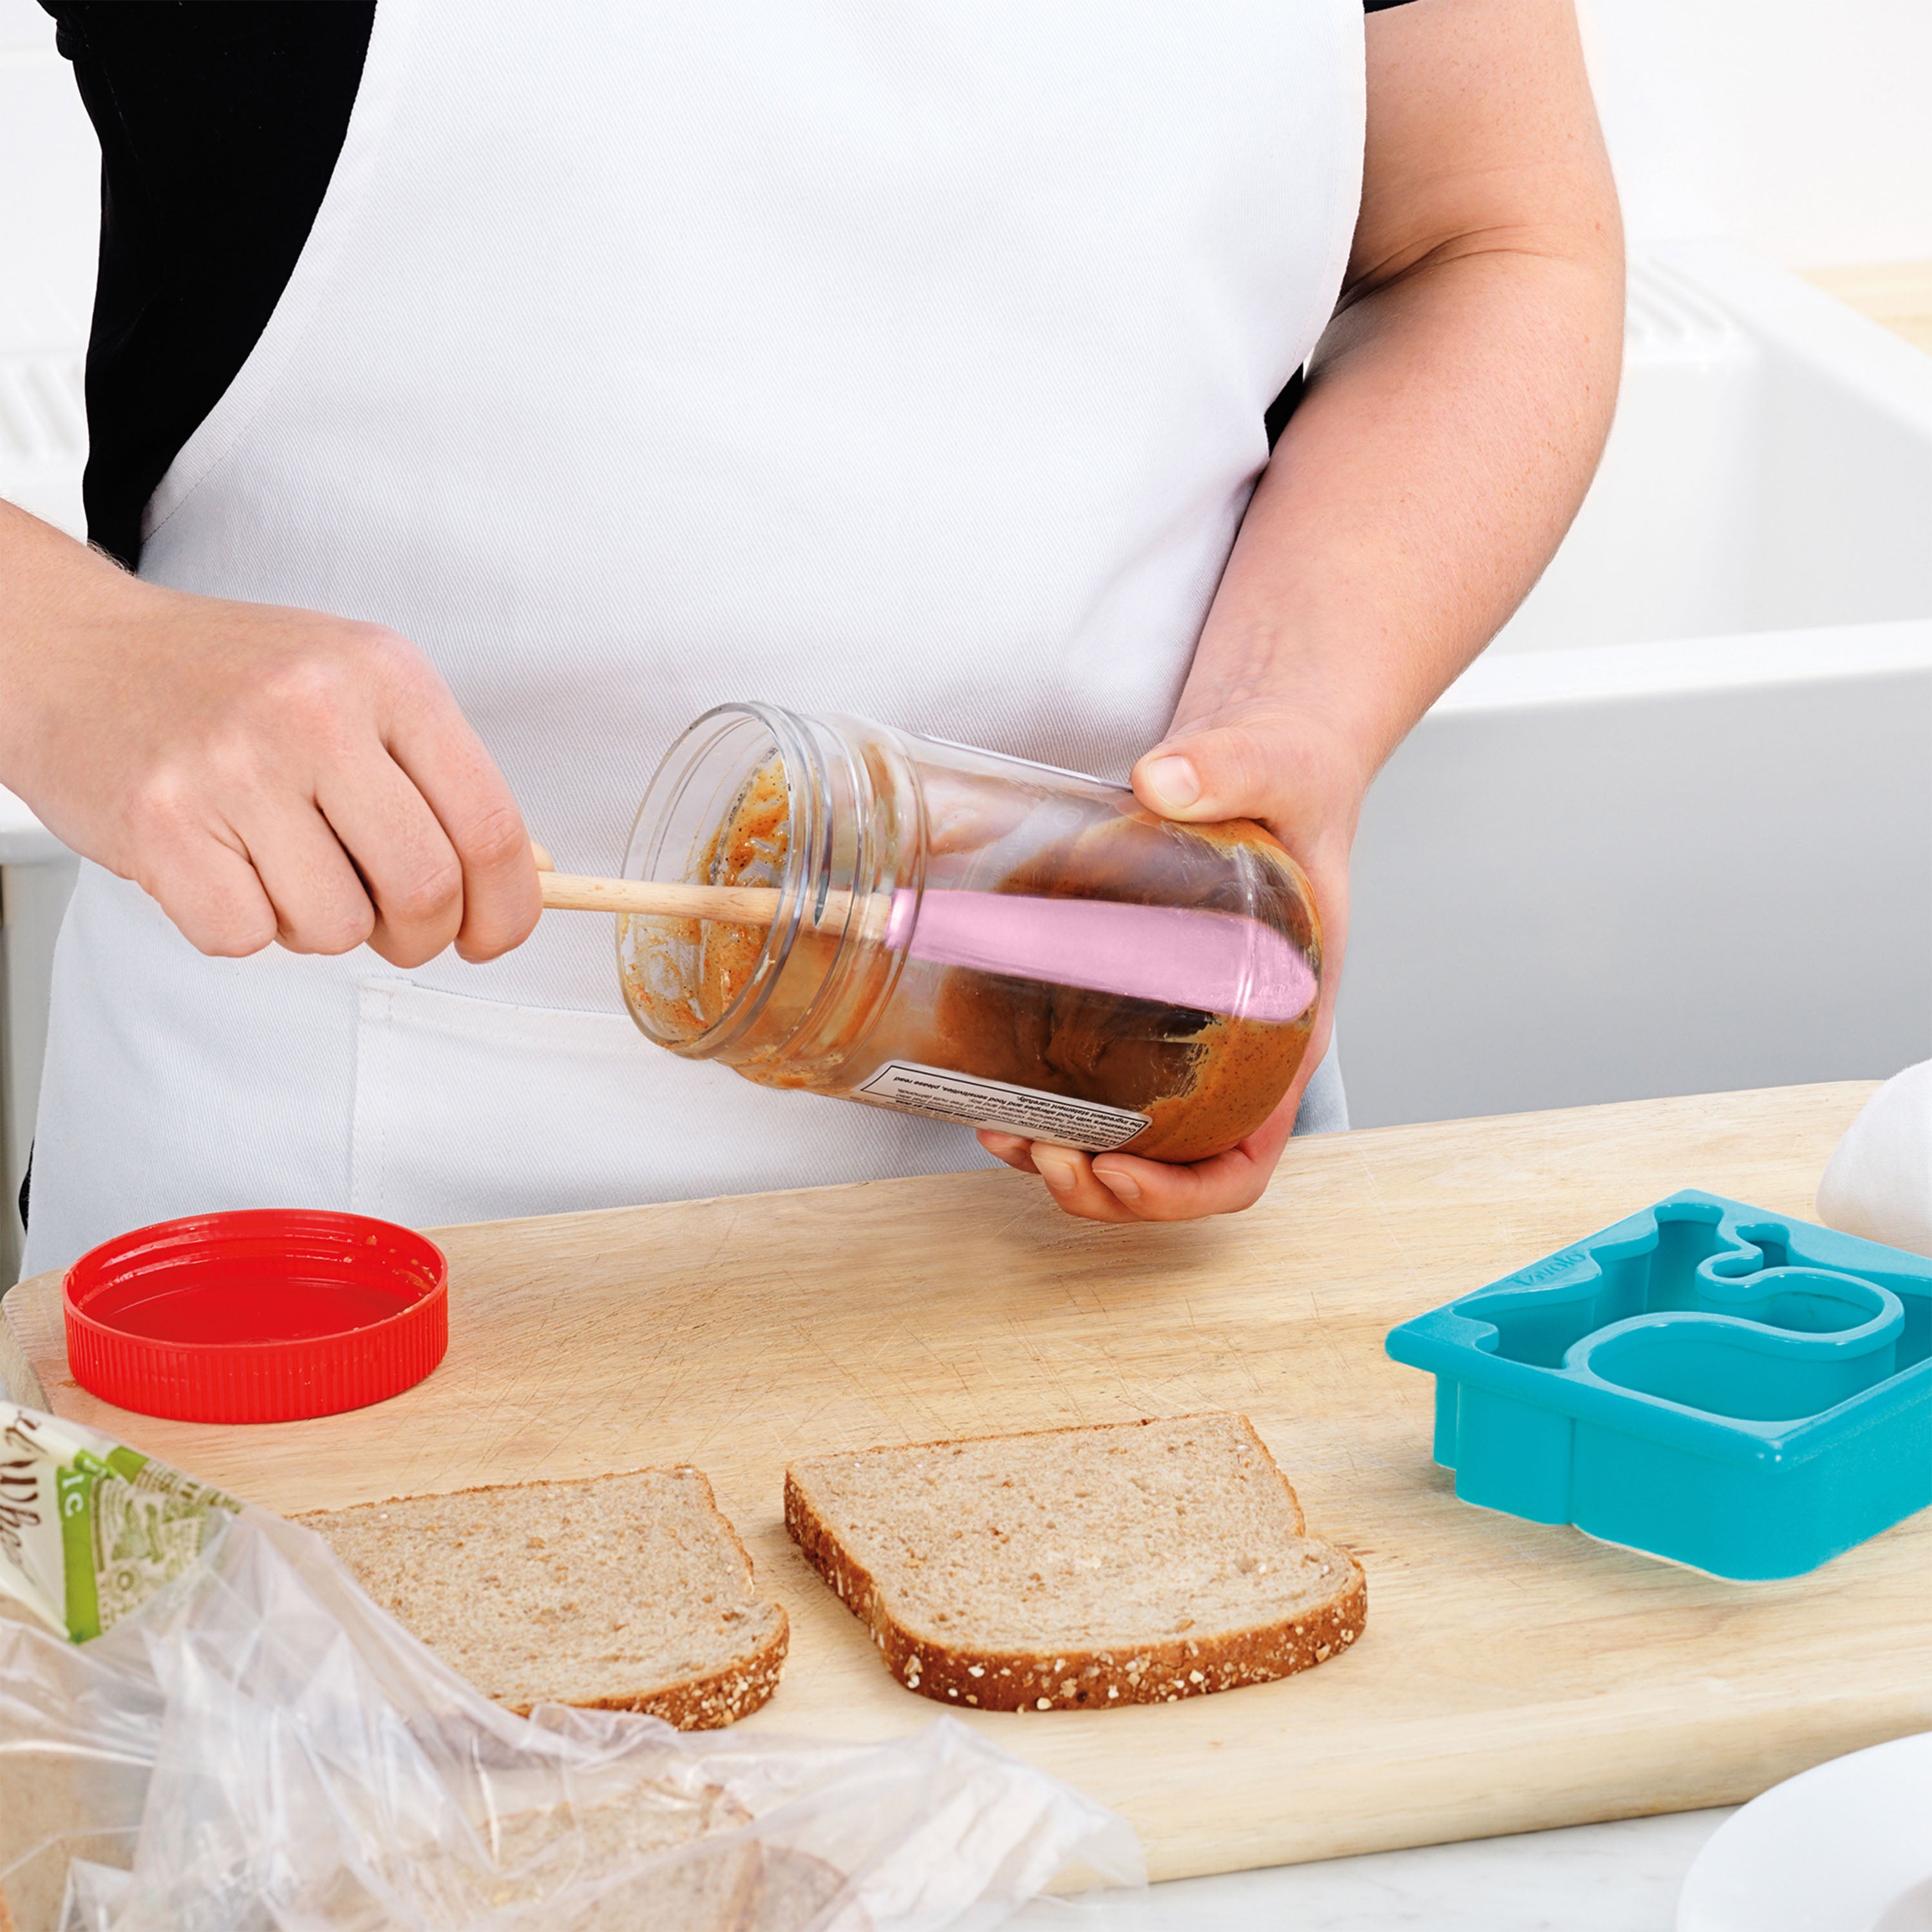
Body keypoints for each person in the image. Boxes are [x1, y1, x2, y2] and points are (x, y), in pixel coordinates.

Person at [3, 0, 1622, 1274]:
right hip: (343, 1225)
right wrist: (74, 659)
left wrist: (1297, 721)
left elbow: (1482, 240)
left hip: (1115, 1116)